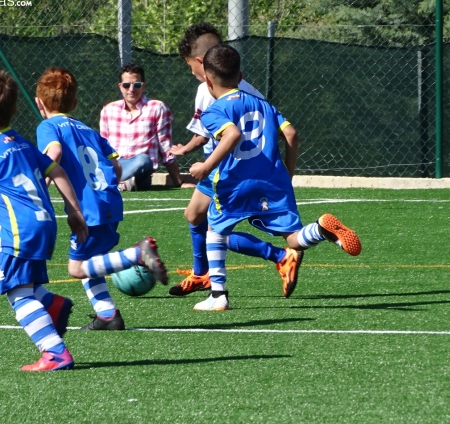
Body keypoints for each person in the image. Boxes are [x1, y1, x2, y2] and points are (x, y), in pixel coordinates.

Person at [189, 44, 362, 311]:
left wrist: (205, 165)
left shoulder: (214, 111)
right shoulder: (264, 105)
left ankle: (218, 295)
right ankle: (320, 229)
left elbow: (232, 135)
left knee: (215, 231)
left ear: (208, 80)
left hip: (235, 182)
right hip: (273, 181)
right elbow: (291, 134)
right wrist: (287, 175)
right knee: (293, 238)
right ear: (241, 76)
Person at [0, 69, 88, 372]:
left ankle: (55, 353)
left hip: (20, 232)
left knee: (17, 293)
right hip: (44, 224)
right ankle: (51, 304)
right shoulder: (23, 143)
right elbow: (57, 171)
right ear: (15, 109)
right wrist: (74, 212)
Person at [169, 22, 301, 299]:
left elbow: (225, 134)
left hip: (232, 168)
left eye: (189, 66)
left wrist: (200, 161)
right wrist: (187, 148)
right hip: (242, 165)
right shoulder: (241, 85)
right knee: (194, 215)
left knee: (214, 230)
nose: (191, 72)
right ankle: (202, 274)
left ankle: (277, 257)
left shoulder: (208, 88)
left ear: (200, 63)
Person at [35, 67, 130, 330]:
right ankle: (107, 314)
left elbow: (53, 153)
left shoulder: (48, 126)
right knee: (90, 262)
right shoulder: (88, 130)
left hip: (87, 209)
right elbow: (117, 167)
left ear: (39, 102)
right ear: (75, 103)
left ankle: (137, 255)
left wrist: (41, 185)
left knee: (76, 267)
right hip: (109, 202)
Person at [99, 63, 188, 191]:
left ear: (143, 86)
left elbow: (165, 147)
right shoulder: (108, 110)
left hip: (142, 166)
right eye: (126, 85)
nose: (131, 89)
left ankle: (109, 183)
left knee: (143, 160)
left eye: (136, 85)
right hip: (116, 164)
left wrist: (178, 182)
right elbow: (104, 146)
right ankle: (122, 184)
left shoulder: (157, 107)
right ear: (120, 87)